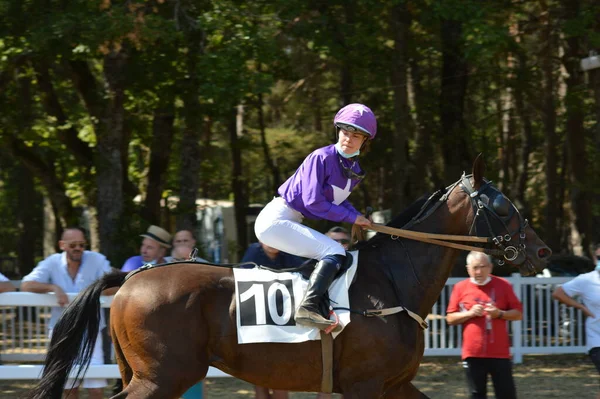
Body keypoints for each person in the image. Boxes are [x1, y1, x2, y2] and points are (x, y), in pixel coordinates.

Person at [254, 103, 375, 332]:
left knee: (335, 253)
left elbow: (337, 200)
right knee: (334, 251)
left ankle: (319, 305)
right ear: (338, 131)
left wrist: (357, 215)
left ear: (365, 140)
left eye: (356, 135)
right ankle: (308, 308)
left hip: (290, 220)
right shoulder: (321, 157)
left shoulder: (354, 169)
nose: (348, 139)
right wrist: (352, 218)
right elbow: (314, 202)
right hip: (276, 219)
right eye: (345, 132)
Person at [20, 227, 116, 399]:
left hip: (91, 330)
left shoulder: (97, 259)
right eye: (73, 245)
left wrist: (95, 291)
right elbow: (26, 284)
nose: (78, 248)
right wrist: (52, 287)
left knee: (96, 385)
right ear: (62, 245)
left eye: (81, 244)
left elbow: (114, 286)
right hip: (61, 330)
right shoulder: (52, 262)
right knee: (68, 386)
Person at [446, 251, 522, 399]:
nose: (479, 271)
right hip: (473, 353)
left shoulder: (503, 285)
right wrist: (470, 313)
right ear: (468, 269)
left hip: (500, 353)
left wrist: (499, 313)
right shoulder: (460, 287)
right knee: (477, 394)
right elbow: (450, 318)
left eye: (482, 267)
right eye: (474, 268)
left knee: (506, 393)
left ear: (490, 267)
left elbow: (518, 314)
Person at [241, 241, 307, 399]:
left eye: (276, 238)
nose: (272, 243)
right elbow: (244, 279)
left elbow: (304, 273)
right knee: (258, 375)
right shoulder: (253, 251)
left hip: (285, 321)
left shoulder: (289, 251)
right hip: (257, 321)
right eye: (267, 239)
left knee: (281, 374)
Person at [552, 247, 600, 399]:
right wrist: (581, 307)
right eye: (598, 257)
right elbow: (558, 293)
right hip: (596, 339)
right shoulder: (587, 280)